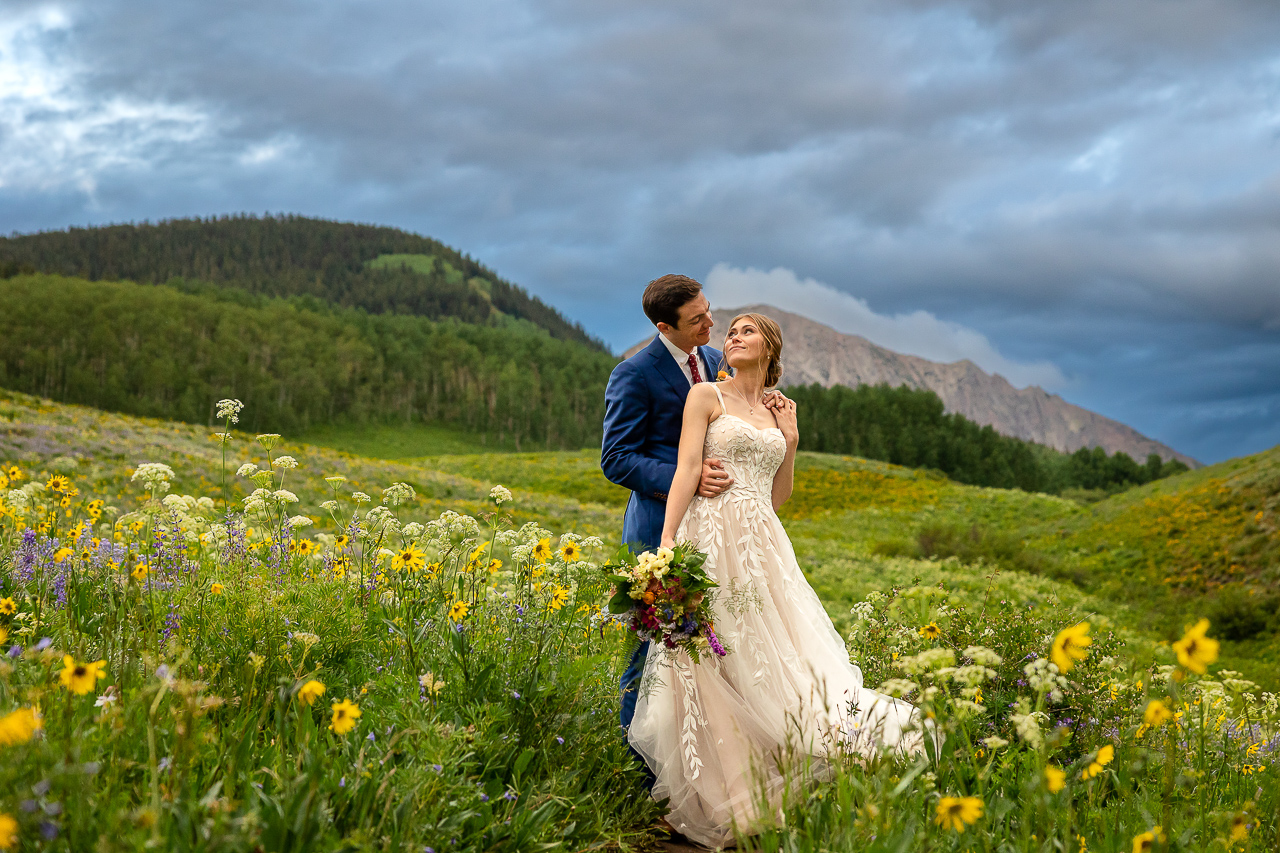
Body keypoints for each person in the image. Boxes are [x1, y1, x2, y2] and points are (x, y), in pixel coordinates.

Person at [626, 311, 927, 848]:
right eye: (731, 331)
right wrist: (668, 547)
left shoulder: (775, 410)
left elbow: (776, 498)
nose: (732, 337)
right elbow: (685, 470)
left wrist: (790, 438)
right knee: (712, 659)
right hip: (710, 535)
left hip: (762, 544)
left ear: (769, 347)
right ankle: (721, 788)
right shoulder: (705, 398)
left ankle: (779, 772)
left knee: (769, 654)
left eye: (745, 330)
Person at [602, 275, 787, 786]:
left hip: (724, 535)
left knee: (725, 648)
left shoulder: (710, 363)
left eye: (709, 312)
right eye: (698, 320)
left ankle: (716, 775)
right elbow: (615, 459)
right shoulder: (634, 373)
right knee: (651, 655)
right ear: (666, 326)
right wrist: (687, 477)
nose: (712, 324)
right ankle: (638, 782)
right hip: (657, 527)